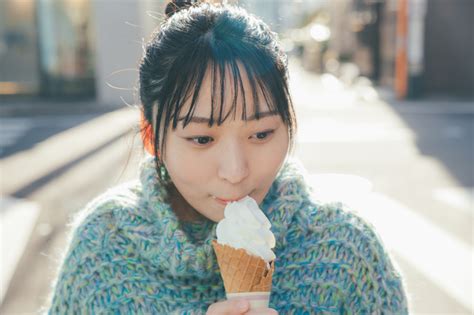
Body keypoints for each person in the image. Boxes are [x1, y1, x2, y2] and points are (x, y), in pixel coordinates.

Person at [44, 1, 410, 314]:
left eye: (261, 134)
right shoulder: (104, 245)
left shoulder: (345, 247)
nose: (236, 172)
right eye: (202, 138)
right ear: (151, 135)